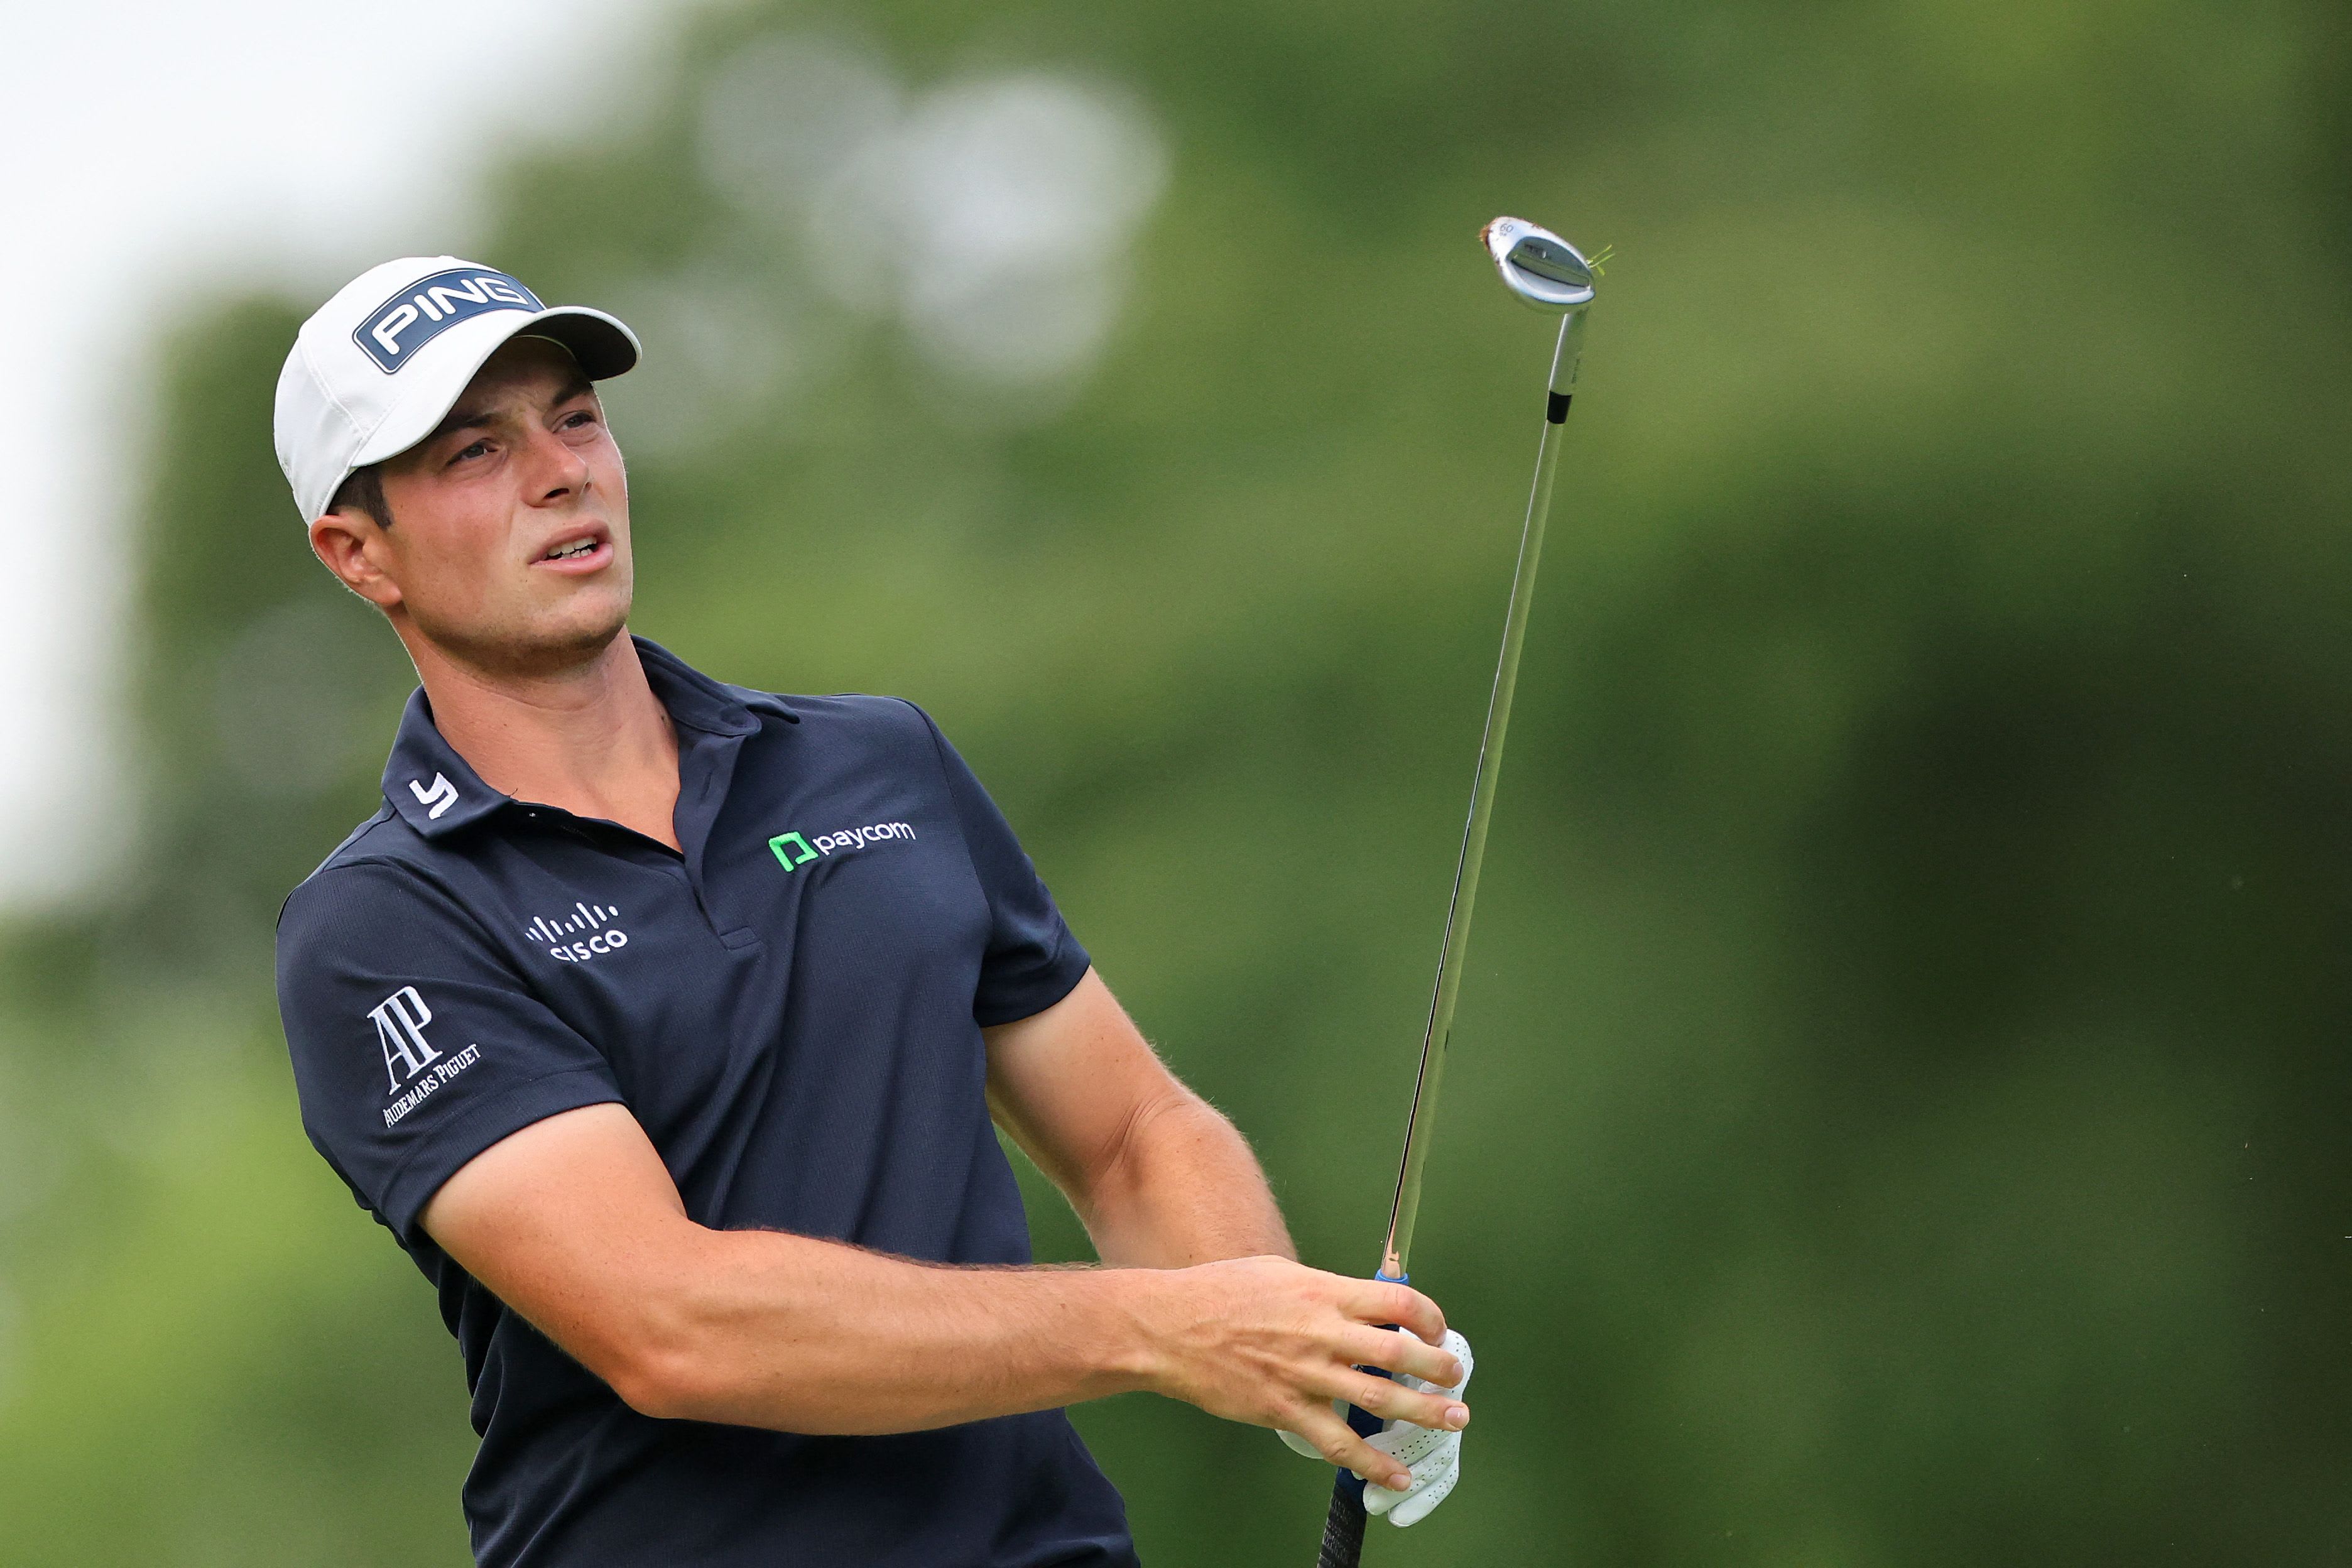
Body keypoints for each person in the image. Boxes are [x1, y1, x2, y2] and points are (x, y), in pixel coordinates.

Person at [270, 255, 1471, 1566]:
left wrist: (1302, 1344)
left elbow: (1131, 1136)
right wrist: (1166, 1330)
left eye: (575, 418)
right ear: (359, 553)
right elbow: (673, 1326)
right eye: (474, 452)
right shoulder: (383, 927)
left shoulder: (874, 762)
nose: (562, 473)